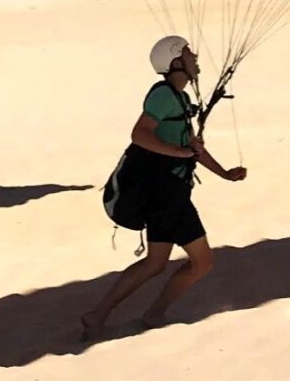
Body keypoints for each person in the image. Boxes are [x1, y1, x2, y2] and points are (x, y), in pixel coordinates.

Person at [79, 37, 246, 340]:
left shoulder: (180, 98)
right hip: (167, 195)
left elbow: (192, 148)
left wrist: (224, 173)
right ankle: (154, 314)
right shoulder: (163, 96)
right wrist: (181, 154)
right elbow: (139, 134)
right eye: (187, 53)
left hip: (164, 192)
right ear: (175, 62)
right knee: (203, 262)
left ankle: (98, 315)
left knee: (155, 263)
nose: (195, 56)